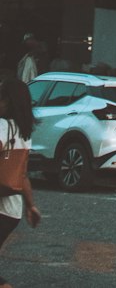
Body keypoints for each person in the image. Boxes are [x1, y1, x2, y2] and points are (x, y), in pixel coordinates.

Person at [0, 77, 41, 284]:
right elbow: (22, 175)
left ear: (8, 101)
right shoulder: (24, 133)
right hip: (12, 211)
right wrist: (31, 206)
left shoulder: (1, 126)